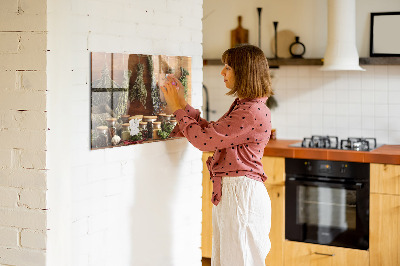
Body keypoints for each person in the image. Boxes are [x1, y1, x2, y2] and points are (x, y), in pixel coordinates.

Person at [161, 44, 273, 266]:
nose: (222, 72)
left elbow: (204, 141)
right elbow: (212, 133)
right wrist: (182, 104)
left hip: (241, 195)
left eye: (228, 67)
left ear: (244, 72)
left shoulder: (250, 111)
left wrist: (177, 109)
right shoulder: (246, 106)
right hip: (236, 193)